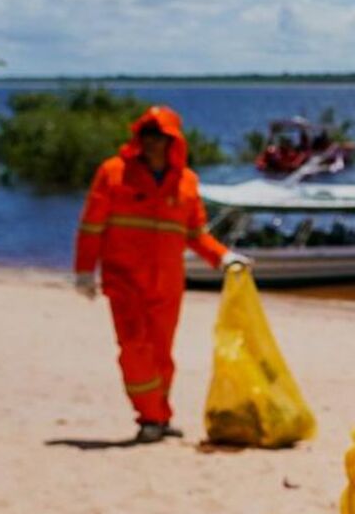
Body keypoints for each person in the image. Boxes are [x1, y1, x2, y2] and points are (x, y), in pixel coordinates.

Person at [74, 106, 250, 443]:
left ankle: (160, 415)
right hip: (124, 280)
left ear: (174, 141)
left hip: (167, 284)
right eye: (148, 136)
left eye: (162, 137)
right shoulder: (113, 173)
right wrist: (84, 271)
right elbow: (92, 226)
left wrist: (223, 257)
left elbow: (195, 234)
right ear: (139, 138)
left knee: (161, 354)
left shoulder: (186, 182)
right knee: (134, 349)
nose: (154, 143)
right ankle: (149, 418)